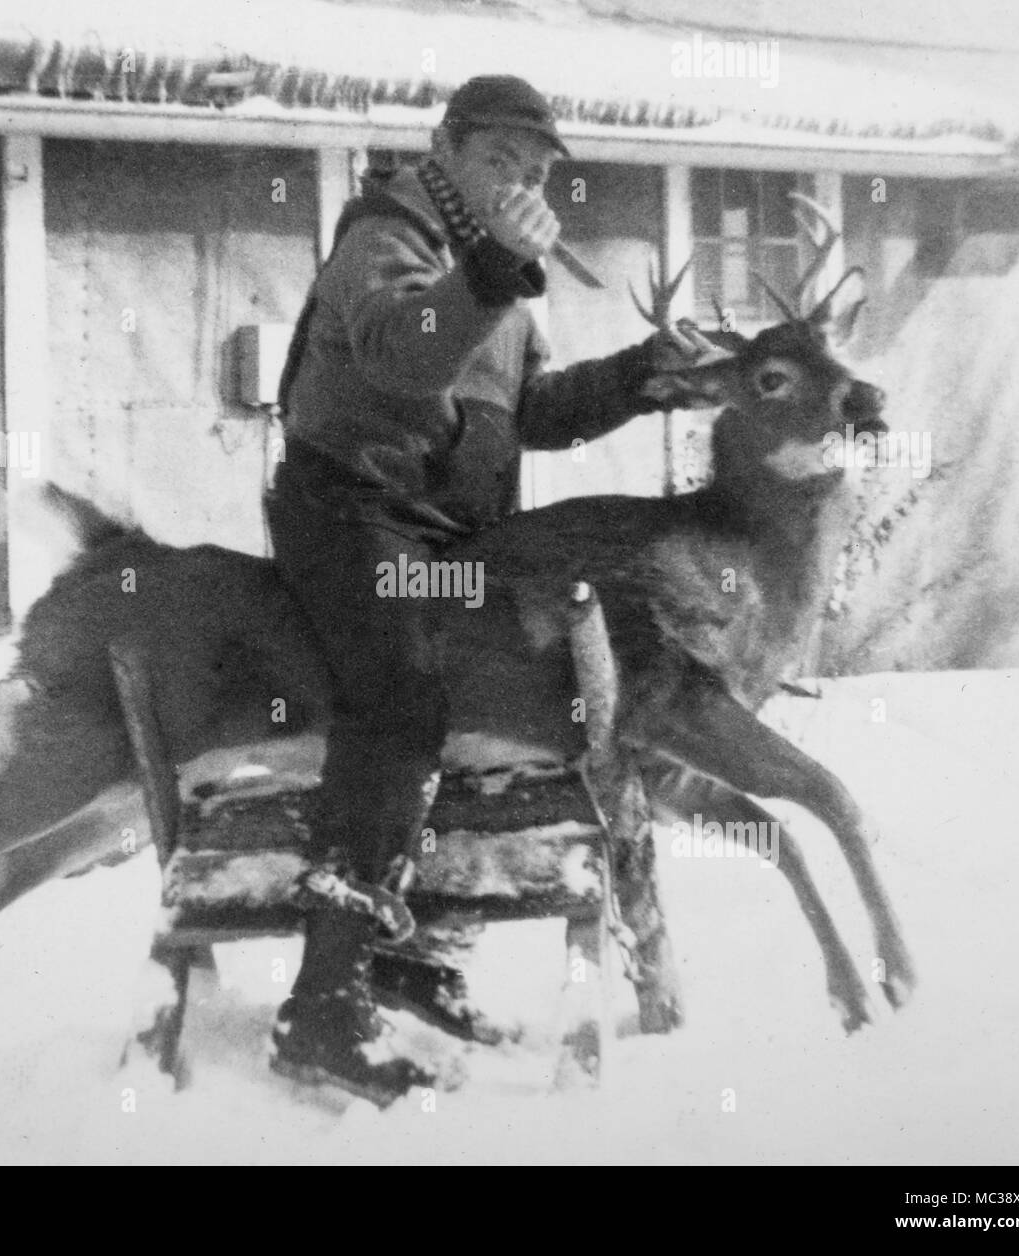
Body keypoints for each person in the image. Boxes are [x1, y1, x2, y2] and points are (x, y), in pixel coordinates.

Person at [266, 74, 703, 1105]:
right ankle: (321, 1002)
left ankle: (410, 950)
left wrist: (645, 374)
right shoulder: (388, 232)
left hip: (449, 532)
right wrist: (501, 268)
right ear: (446, 148)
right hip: (350, 515)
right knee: (401, 699)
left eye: (539, 170)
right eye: (500, 160)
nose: (521, 181)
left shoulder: (495, 276)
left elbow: (530, 413)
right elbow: (404, 352)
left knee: (498, 687)